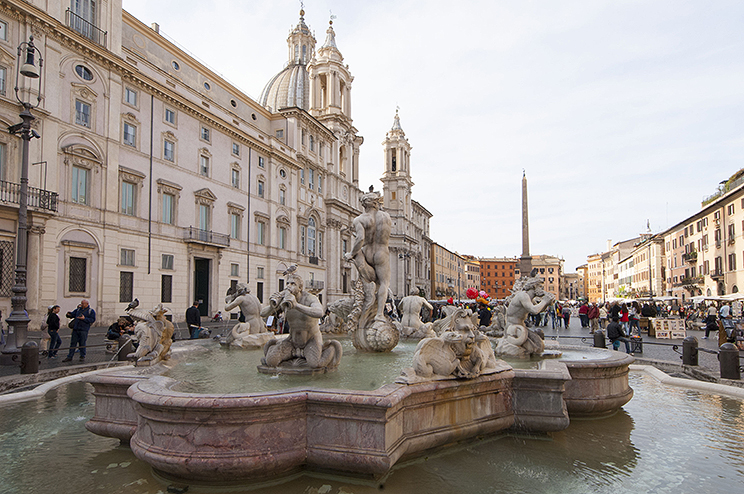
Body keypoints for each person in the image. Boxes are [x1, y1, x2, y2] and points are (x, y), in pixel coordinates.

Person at [261, 273, 341, 369]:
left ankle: (329, 348)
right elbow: (263, 313)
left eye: (293, 284)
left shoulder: (310, 298)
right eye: (287, 283)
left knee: (315, 364)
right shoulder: (285, 300)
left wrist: (296, 305)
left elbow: (320, 312)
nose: (288, 286)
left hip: (310, 340)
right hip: (292, 341)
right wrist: (271, 306)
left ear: (300, 287)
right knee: (271, 361)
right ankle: (288, 351)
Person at [343, 188, 392, 323]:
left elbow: (360, 239)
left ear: (364, 204)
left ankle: (365, 309)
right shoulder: (386, 217)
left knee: (367, 282)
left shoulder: (360, 219)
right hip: (382, 252)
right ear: (376, 203)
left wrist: (351, 254)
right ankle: (379, 315)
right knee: (383, 283)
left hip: (366, 252)